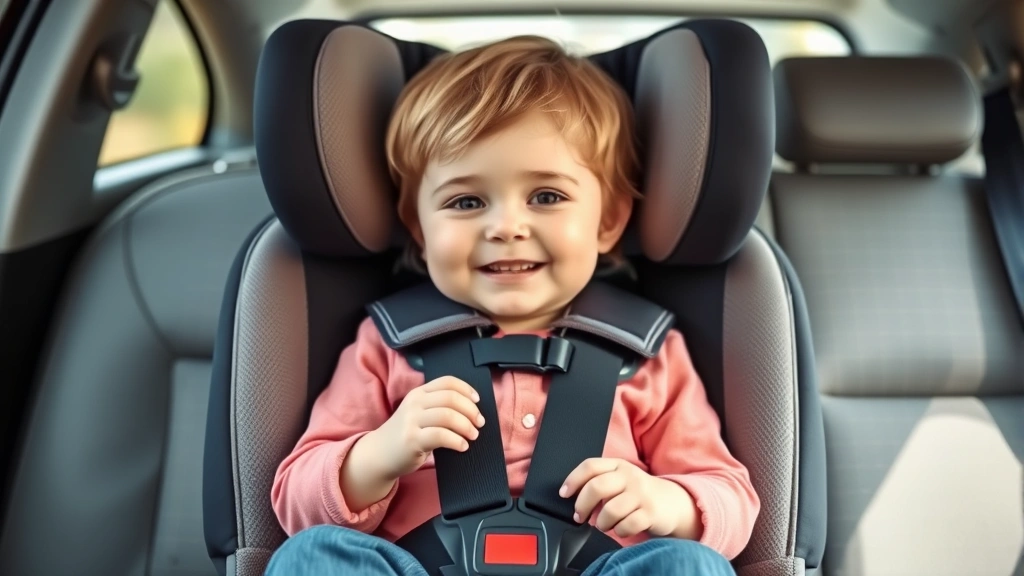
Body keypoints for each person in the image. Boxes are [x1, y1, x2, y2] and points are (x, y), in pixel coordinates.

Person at [265, 34, 759, 576]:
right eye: (466, 201)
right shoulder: (388, 346)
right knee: (311, 555)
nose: (505, 227)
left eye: (546, 196)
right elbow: (295, 500)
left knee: (687, 565)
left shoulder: (646, 353)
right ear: (420, 230)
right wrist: (378, 454)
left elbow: (731, 497)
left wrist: (669, 504)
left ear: (609, 219)